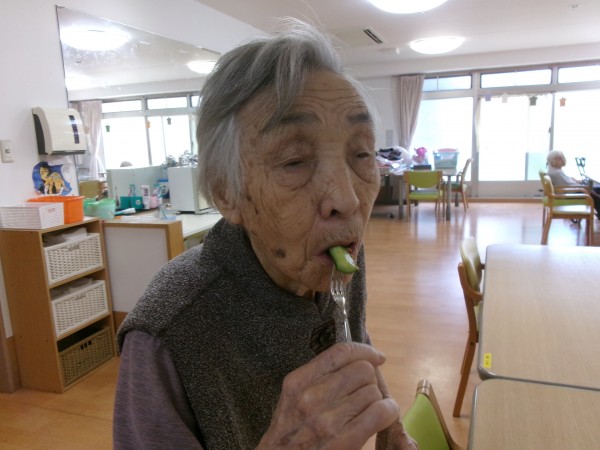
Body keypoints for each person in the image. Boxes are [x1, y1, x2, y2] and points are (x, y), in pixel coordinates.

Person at [113, 19, 416, 450]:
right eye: (294, 161)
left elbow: (354, 341)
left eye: (362, 154)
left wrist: (393, 429)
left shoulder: (340, 257)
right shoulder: (167, 331)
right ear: (226, 193)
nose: (347, 200)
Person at [546, 150, 600, 219]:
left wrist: (574, 181)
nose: (563, 160)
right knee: (594, 194)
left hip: (568, 191)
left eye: (562, 158)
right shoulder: (557, 173)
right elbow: (568, 185)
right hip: (568, 193)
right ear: (553, 160)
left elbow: (566, 182)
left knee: (595, 190)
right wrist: (581, 186)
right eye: (559, 159)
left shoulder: (554, 170)